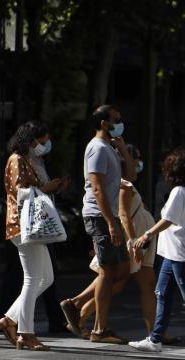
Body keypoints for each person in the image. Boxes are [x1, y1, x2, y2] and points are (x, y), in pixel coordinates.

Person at [68, 145, 160, 340]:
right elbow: (124, 215)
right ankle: (79, 311)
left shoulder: (123, 184)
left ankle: (81, 316)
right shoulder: (122, 185)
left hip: (135, 238)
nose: (138, 164)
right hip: (133, 239)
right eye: (135, 159)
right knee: (111, 278)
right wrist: (134, 241)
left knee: (116, 281)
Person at [60, 105, 134, 344]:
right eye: (116, 119)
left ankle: (76, 303)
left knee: (121, 269)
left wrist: (122, 147)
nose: (120, 122)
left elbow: (130, 175)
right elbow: (97, 188)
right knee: (108, 270)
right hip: (99, 216)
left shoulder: (110, 147)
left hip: (108, 216)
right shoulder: (98, 148)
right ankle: (100, 329)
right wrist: (111, 223)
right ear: (104, 123)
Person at [0, 123, 66, 351]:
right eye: (40, 141)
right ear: (30, 140)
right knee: (33, 278)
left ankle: (10, 319)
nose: (42, 146)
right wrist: (47, 188)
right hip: (22, 225)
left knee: (46, 277)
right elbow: (20, 193)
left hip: (30, 227)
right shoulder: (16, 159)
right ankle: (25, 333)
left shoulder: (24, 160)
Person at [129, 148, 185, 352]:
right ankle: (155, 339)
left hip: (179, 253)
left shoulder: (179, 191)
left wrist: (146, 234)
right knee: (162, 294)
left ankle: (155, 339)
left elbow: (168, 219)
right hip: (171, 253)